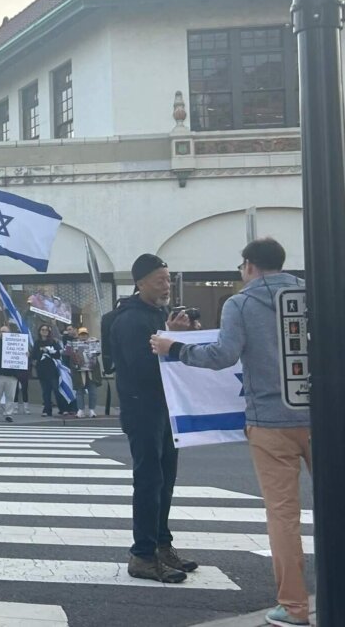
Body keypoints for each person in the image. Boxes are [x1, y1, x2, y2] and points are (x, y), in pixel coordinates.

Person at [150, 239, 310, 624]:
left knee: (283, 515)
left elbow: (223, 355)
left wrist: (174, 348)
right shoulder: (311, 294)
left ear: (249, 265)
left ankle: (295, 607)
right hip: (323, 414)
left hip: (270, 420)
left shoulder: (241, 303)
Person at [111, 253, 197, 583]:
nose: (166, 285)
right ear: (140, 283)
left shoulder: (157, 314)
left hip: (164, 407)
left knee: (166, 477)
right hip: (142, 408)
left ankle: (162, 544)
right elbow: (144, 370)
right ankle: (142, 554)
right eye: (160, 279)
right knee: (149, 480)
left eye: (168, 278)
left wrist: (180, 337)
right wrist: (171, 337)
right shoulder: (131, 320)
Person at [0, 323, 26, 423]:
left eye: (4, 331)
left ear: (9, 333)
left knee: (10, 396)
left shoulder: (17, 344)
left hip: (12, 375)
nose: (2, 333)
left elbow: (23, 358)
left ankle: (9, 414)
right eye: (1, 331)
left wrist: (25, 355)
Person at [32, 323, 62, 417]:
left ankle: (62, 408)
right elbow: (34, 355)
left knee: (56, 390)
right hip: (42, 370)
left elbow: (58, 354)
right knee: (46, 391)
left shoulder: (53, 342)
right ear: (39, 332)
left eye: (46, 330)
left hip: (52, 370)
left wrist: (48, 351)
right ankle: (47, 410)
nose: (44, 331)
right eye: (42, 330)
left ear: (49, 332)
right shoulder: (37, 343)